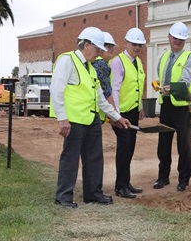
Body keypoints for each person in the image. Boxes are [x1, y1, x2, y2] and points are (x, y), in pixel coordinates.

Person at [50, 27, 131, 208]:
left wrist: (117, 117)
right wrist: (62, 118)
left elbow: (101, 99)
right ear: (86, 45)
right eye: (98, 49)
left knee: (95, 157)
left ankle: (93, 194)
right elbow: (56, 90)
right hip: (74, 120)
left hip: (92, 119)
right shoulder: (67, 60)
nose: (99, 53)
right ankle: (63, 197)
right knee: (70, 158)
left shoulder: (90, 69)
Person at [154, 22, 191, 192]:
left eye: (181, 38)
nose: (177, 41)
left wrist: (169, 88)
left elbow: (185, 81)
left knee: (184, 144)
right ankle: (163, 177)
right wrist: (160, 87)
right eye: (175, 37)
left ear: (185, 40)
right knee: (163, 144)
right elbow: (161, 75)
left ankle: (184, 179)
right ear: (169, 37)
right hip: (166, 105)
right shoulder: (164, 57)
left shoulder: (189, 58)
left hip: (184, 108)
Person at [110, 27, 146, 199]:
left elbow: (136, 87)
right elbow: (114, 90)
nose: (137, 47)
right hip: (121, 113)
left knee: (130, 148)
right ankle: (120, 187)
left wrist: (139, 108)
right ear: (126, 43)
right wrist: (116, 116)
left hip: (132, 112)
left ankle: (126, 182)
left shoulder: (137, 62)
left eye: (140, 45)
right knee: (124, 148)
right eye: (134, 44)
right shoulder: (118, 62)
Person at [92, 31, 117, 122]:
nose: (111, 49)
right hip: (95, 114)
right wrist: (116, 116)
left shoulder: (93, 63)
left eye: (112, 46)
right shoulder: (101, 65)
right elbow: (106, 92)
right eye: (108, 47)